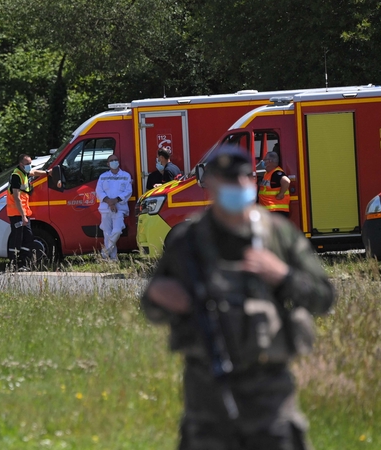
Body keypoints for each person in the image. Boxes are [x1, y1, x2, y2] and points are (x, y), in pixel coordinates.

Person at [141, 147, 335, 450]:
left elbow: (323, 298)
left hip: (269, 396)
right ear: (211, 186)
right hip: (207, 399)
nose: (236, 186)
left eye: (242, 178)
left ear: (252, 182)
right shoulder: (187, 241)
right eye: (226, 180)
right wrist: (161, 298)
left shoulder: (279, 236)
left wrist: (282, 276)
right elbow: (151, 306)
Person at [6, 154, 51, 271]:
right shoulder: (16, 175)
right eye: (27, 164)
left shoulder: (24, 172)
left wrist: (47, 173)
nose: (29, 166)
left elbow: (34, 172)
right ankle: (13, 264)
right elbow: (16, 198)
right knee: (17, 239)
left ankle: (22, 263)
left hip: (23, 213)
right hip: (17, 214)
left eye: (30, 163)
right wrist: (23, 216)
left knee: (28, 238)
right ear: (21, 164)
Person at [95, 154, 133, 260]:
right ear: (108, 164)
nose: (114, 162)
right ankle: (112, 258)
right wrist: (109, 202)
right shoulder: (103, 176)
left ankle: (104, 253)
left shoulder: (126, 175)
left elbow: (128, 191)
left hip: (119, 208)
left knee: (117, 230)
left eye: (116, 160)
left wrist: (115, 201)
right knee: (107, 234)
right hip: (105, 209)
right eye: (111, 160)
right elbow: (99, 191)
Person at [258, 150, 291, 217]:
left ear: (270, 161)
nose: (263, 162)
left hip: (276, 210)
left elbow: (286, 181)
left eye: (265, 160)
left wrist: (281, 194)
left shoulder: (276, 173)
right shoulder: (268, 173)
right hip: (270, 211)